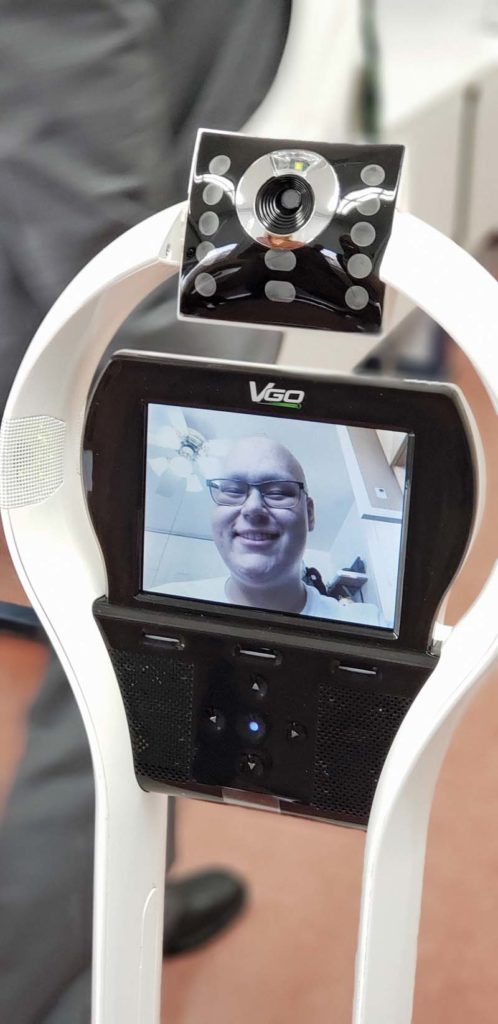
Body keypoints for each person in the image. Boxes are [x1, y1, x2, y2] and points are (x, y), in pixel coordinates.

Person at [0, 2, 292, 1020]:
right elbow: (73, 156)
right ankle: (35, 970)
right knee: (124, 677)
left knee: (163, 669)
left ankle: (125, 899)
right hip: (102, 318)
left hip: (168, 281)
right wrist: (183, 406)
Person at [156, 436, 381, 625]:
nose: (253, 508)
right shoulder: (162, 606)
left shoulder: (369, 624)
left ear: (309, 514)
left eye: (278, 492)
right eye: (233, 490)